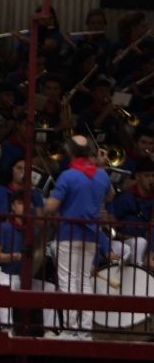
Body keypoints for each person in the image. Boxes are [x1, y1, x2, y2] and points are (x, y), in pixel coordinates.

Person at [46, 135, 111, 334]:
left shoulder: (68, 175)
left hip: (69, 232)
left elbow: (51, 206)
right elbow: (110, 195)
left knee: (68, 281)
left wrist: (40, 202)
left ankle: (70, 329)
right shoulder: (101, 175)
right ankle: (85, 330)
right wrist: (100, 166)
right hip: (91, 235)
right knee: (84, 281)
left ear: (70, 152)